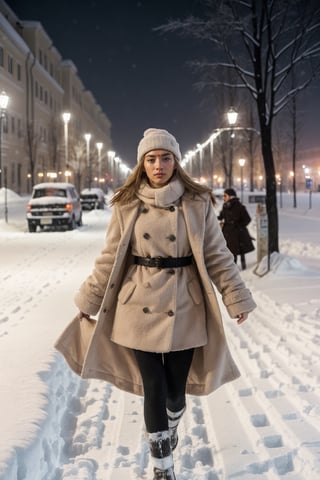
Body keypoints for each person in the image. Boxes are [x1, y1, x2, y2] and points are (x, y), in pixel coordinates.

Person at [55, 128, 256, 480]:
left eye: (165, 157)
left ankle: (171, 424)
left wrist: (234, 297)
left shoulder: (198, 203)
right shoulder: (126, 204)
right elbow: (109, 258)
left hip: (186, 303)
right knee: (154, 385)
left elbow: (218, 256)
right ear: (142, 165)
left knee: (176, 392)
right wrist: (91, 298)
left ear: (176, 162)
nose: (158, 165)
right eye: (151, 159)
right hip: (137, 304)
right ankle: (163, 467)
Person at [218, 188, 255, 270]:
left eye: (225, 196)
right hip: (228, 233)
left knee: (238, 251)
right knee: (230, 251)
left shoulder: (239, 206)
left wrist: (239, 226)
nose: (223, 198)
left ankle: (241, 267)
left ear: (230, 196)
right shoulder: (225, 206)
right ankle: (233, 268)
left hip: (238, 234)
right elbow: (221, 216)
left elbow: (247, 219)